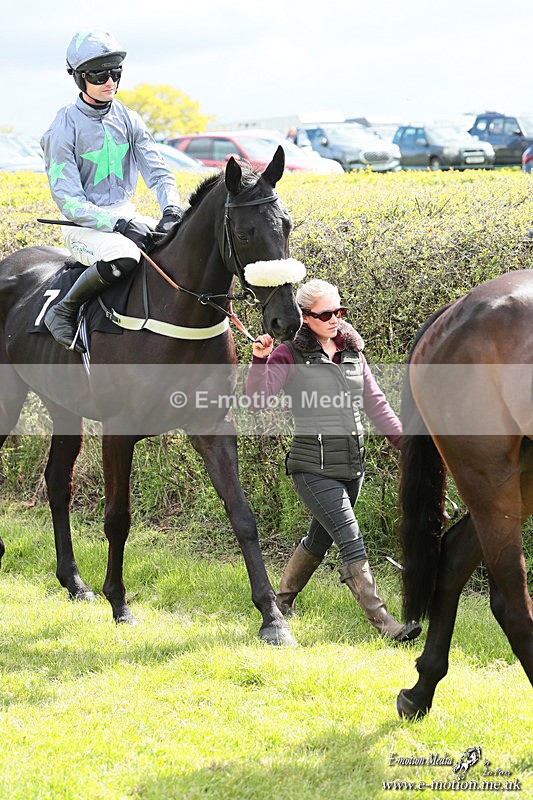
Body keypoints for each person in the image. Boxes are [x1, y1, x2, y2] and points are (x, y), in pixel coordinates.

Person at [246, 278, 421, 642]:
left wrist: (410, 445)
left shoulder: (352, 351)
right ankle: (386, 624)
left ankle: (282, 602)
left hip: (352, 465)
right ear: (305, 317)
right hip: (311, 467)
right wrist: (258, 361)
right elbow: (256, 401)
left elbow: (377, 405)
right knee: (350, 537)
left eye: (339, 311)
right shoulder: (287, 354)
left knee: (319, 538)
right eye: (326, 314)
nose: (335, 319)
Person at [40, 29, 184, 353]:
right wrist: (117, 225)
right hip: (84, 227)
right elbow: (68, 201)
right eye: (99, 74)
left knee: (176, 246)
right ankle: (62, 311)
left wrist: (172, 210)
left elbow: (159, 173)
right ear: (79, 78)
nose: (110, 81)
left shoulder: (130, 119)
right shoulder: (62, 128)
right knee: (125, 254)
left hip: (126, 214)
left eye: (115, 72)